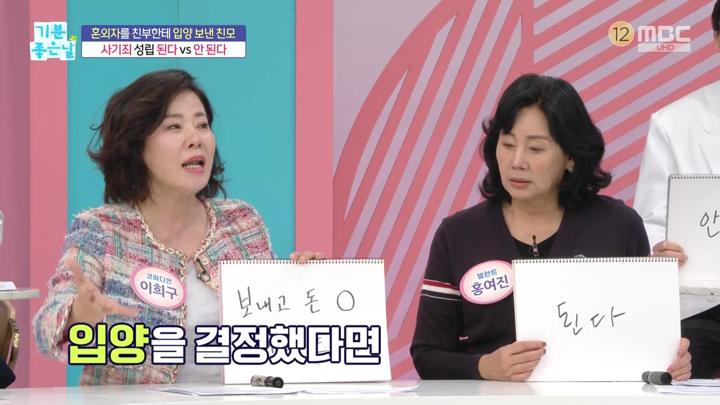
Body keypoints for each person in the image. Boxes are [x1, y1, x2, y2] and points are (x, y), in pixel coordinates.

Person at [32, 69, 321, 385]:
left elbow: (274, 326)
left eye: (202, 125)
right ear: (136, 145)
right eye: (174, 126)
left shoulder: (242, 222)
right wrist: (80, 314)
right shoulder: (101, 230)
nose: (196, 138)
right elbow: (47, 328)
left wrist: (308, 286)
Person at [410, 73, 691, 381]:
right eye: (507, 144)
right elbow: (427, 355)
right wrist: (484, 367)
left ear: (571, 156)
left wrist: (671, 359)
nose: (517, 161)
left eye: (535, 149)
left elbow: (643, 341)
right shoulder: (458, 234)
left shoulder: (619, 225)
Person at [633, 0, 720, 380]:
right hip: (704, 304)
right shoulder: (674, 123)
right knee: (669, 362)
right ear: (717, 39)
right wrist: (661, 248)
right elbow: (651, 222)